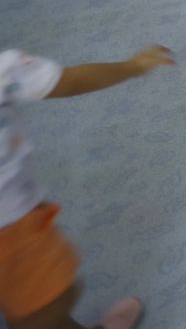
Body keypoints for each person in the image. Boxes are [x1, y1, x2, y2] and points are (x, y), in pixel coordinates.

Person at [0, 44, 175, 329]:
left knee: (40, 308)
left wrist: (134, 67)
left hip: (13, 228)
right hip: (13, 236)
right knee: (44, 310)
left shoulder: (5, 70)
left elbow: (69, 80)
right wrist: (134, 67)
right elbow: (70, 81)